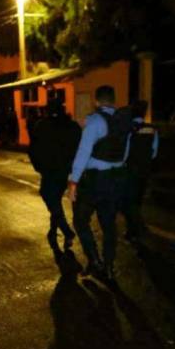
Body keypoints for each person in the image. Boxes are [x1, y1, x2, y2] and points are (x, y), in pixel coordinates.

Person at [67, 85, 133, 280]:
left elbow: (83, 152)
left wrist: (73, 182)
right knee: (108, 224)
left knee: (80, 221)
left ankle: (94, 261)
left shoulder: (95, 121)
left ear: (96, 102)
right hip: (116, 178)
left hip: (95, 181)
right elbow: (125, 153)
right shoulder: (124, 121)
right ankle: (109, 266)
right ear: (113, 101)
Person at [28, 96, 82, 253]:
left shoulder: (42, 126)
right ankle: (53, 231)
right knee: (55, 199)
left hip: (49, 170)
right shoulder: (72, 126)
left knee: (48, 197)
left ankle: (66, 231)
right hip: (64, 170)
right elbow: (78, 147)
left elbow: (33, 149)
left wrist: (38, 166)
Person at [122, 99, 159, 244]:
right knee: (137, 200)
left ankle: (133, 231)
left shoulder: (131, 129)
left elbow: (125, 152)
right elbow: (154, 152)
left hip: (131, 169)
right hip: (145, 169)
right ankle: (138, 229)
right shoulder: (152, 129)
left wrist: (122, 164)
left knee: (128, 203)